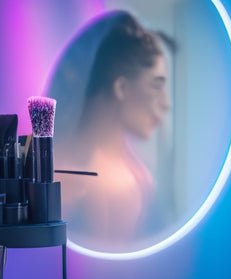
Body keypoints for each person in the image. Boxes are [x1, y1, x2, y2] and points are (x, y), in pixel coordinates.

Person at [49, 10, 174, 251]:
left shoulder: (136, 171)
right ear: (122, 88)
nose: (165, 103)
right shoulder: (101, 181)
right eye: (156, 86)